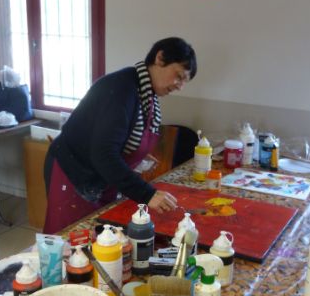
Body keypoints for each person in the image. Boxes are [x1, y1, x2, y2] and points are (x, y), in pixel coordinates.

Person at [43, 37, 197, 234]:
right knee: (73, 240)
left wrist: (139, 155)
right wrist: (147, 194)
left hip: (101, 178)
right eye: (179, 76)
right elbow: (103, 154)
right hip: (74, 174)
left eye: (184, 82)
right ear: (160, 58)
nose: (179, 86)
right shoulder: (121, 89)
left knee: (100, 239)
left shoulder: (146, 93)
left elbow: (119, 137)